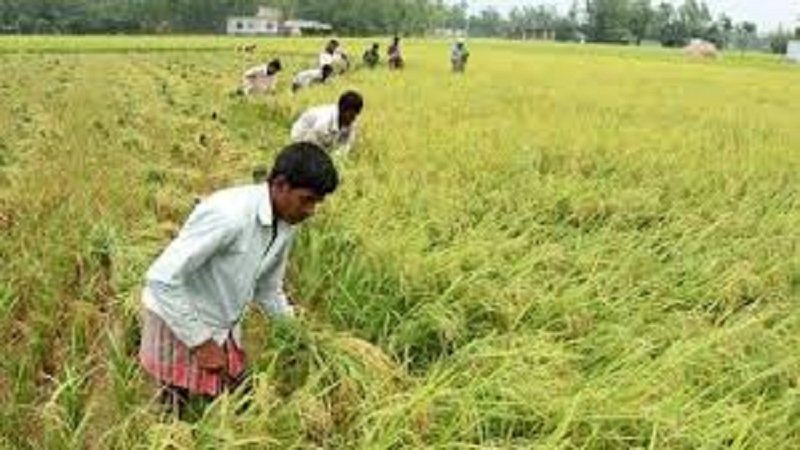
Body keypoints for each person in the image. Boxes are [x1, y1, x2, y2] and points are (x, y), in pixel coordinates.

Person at [139, 142, 339, 418]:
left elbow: (268, 288)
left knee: (236, 396)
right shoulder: (229, 216)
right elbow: (161, 278)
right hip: (178, 316)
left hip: (220, 318)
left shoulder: (285, 223)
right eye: (307, 199)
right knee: (174, 403)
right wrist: (201, 343)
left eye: (317, 202)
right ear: (280, 184)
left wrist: (295, 333)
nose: (311, 211)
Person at [290, 90, 363, 155]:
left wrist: (336, 156)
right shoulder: (324, 120)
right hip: (301, 139)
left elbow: (346, 145)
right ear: (342, 109)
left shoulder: (350, 121)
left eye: (356, 115)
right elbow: (310, 145)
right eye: (351, 115)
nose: (353, 119)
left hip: (323, 145)